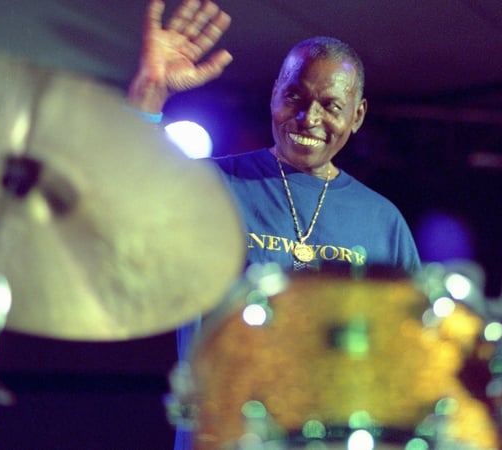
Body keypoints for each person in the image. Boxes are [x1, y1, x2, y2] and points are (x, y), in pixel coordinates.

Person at [126, 0, 420, 448]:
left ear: (356, 116)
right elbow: (117, 195)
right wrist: (151, 90)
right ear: (275, 94)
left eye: (331, 105)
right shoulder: (212, 185)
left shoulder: (383, 221)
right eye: (295, 98)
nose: (310, 118)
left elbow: (411, 361)